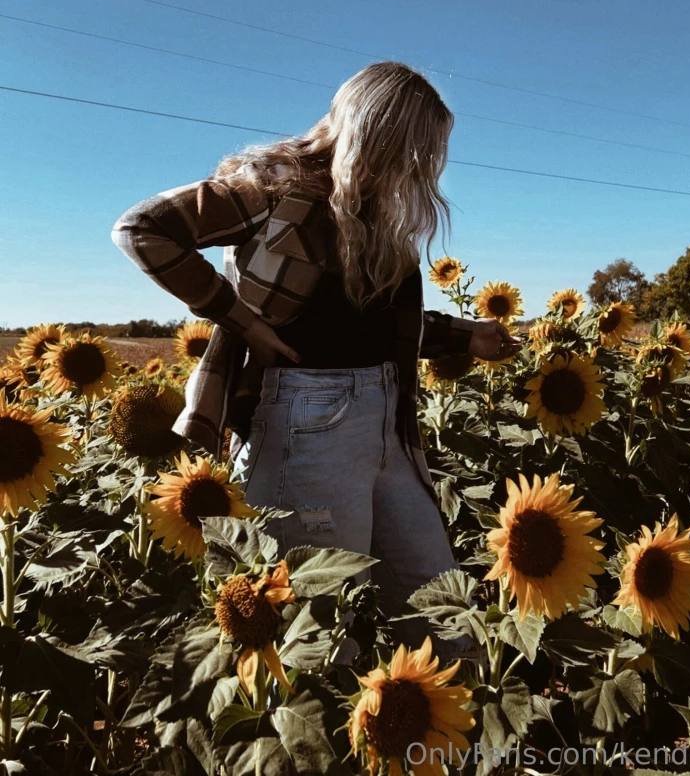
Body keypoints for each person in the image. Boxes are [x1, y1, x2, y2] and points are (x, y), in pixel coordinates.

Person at [111, 61, 521, 659]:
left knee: (447, 622)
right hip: (305, 420)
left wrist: (465, 335)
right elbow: (142, 228)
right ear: (373, 131)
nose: (416, 167)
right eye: (411, 148)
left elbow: (373, 327)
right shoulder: (273, 186)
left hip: (389, 420)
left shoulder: (376, 211)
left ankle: (441, 752)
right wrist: (241, 318)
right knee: (322, 635)